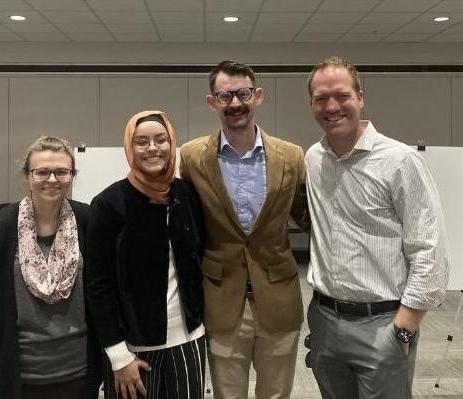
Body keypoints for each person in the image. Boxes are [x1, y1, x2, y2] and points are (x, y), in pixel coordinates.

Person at [305, 55, 449, 399]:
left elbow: (429, 249)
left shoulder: (399, 161)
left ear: (361, 97)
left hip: (384, 324)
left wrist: (404, 327)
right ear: (311, 104)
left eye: (342, 95)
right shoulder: (313, 158)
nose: (332, 106)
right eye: (321, 98)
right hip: (324, 320)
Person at [180, 60, 309, 399]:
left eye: (243, 93)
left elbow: (310, 217)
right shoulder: (192, 158)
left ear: (258, 96)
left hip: (279, 299)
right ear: (212, 102)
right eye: (225, 96)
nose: (235, 103)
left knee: (276, 394)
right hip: (222, 300)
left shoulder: (291, 156)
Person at [0, 136, 103, 399]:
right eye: (41, 172)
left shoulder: (87, 220)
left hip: (78, 368)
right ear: (27, 176)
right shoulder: (0, 226)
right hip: (16, 369)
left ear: (72, 175)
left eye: (61, 172)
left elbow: (100, 284)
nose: (52, 179)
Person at [85, 110, 206, 399]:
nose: (153, 148)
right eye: (142, 142)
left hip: (189, 340)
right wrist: (117, 355)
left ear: (171, 142)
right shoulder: (108, 204)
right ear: (130, 147)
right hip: (132, 350)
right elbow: (97, 285)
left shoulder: (186, 194)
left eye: (160, 140)